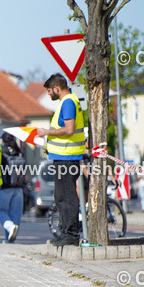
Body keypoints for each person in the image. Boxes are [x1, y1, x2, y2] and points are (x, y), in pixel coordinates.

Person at [36, 74, 86, 246]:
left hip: (68, 157)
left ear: (57, 88)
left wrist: (46, 133)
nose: (49, 95)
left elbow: (69, 129)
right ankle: (65, 231)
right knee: (61, 196)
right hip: (63, 156)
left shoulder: (68, 102)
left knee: (67, 195)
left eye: (50, 91)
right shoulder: (65, 102)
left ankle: (71, 233)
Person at [0, 132, 24, 243]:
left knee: (1, 211)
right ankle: (10, 239)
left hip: (5, 187)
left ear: (2, 140)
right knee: (15, 214)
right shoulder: (18, 151)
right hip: (18, 187)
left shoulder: (1, 152)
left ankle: (10, 227)